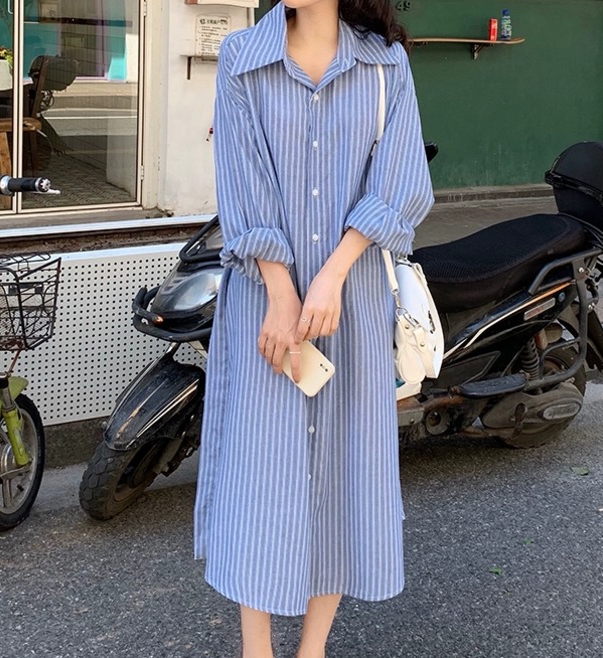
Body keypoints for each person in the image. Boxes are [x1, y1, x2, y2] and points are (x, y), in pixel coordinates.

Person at [194, 0, 434, 656]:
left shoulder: (386, 65)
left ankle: (313, 648)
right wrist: (280, 290)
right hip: (265, 303)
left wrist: (332, 275)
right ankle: (257, 649)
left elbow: (402, 181)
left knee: (342, 471)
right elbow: (241, 180)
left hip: (351, 305)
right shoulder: (244, 58)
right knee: (260, 471)